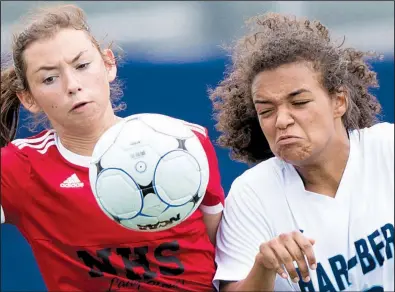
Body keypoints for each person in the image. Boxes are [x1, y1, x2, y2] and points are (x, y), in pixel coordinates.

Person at [1, 4, 225, 291]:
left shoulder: (186, 142)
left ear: (108, 64)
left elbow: (224, 254)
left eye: (82, 66)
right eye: (49, 78)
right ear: (28, 98)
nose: (72, 85)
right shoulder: (19, 168)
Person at [209, 12, 394, 292]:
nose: (281, 120)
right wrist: (264, 266)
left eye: (299, 102)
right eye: (266, 111)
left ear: (339, 101)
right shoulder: (251, 194)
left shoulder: (387, 148)